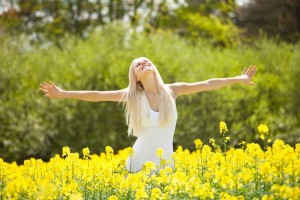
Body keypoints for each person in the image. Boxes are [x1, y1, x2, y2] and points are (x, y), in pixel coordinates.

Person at [40, 57, 256, 172]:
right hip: (138, 163)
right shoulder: (132, 96)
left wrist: (239, 79)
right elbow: (96, 95)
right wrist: (63, 94)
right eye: (137, 64)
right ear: (135, 77)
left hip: (166, 164)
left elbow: (208, 84)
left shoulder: (172, 91)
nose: (143, 63)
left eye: (145, 60)